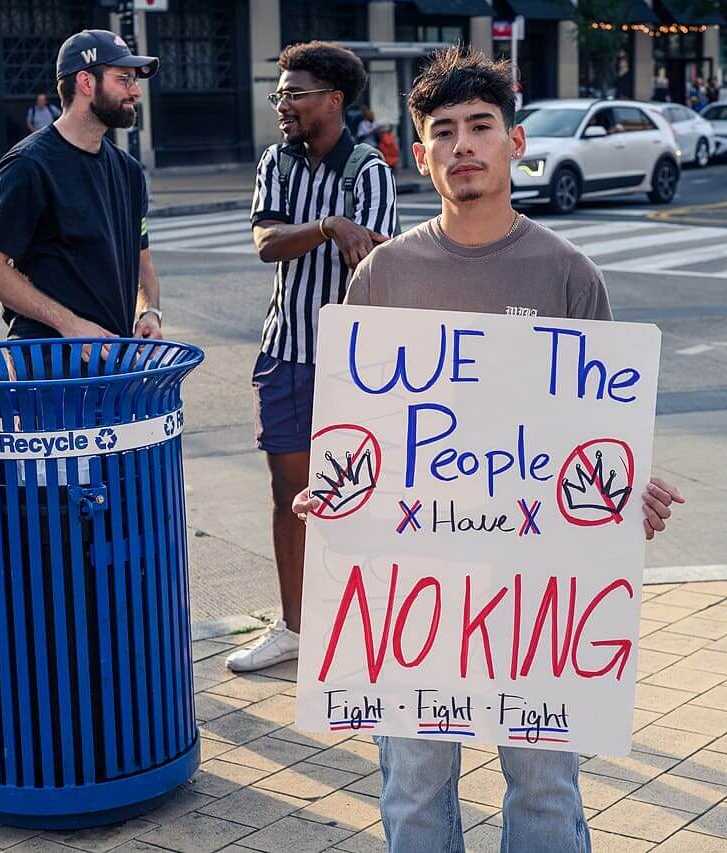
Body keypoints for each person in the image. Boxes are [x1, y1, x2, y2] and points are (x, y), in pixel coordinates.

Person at [292, 47, 685, 853]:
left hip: (539, 588)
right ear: (420, 152)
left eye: (481, 126)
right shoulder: (381, 278)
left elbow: (592, 428)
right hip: (411, 587)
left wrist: (624, 481)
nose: (463, 144)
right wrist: (331, 490)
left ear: (516, 144)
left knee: (544, 787)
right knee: (413, 788)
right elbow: (357, 433)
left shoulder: (570, 275)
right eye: (444, 131)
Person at [225, 41, 398, 673]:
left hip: (350, 366)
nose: (283, 105)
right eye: (280, 94)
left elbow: (376, 267)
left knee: (356, 494)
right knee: (287, 491)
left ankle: (364, 622)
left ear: (334, 99)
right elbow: (267, 242)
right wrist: (327, 226)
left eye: (295, 93)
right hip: (285, 352)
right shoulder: (276, 161)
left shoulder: (368, 171)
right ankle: (295, 627)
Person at [0, 30, 164, 342]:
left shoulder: (128, 171)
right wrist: (69, 325)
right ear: (86, 82)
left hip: (113, 356)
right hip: (48, 364)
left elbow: (141, 261)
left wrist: (149, 312)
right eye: (124, 79)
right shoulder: (29, 165)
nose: (136, 92)